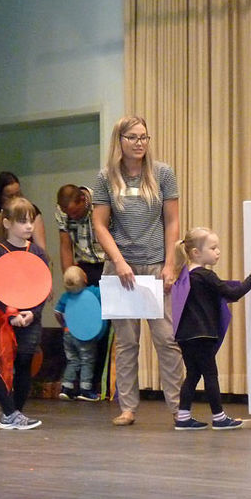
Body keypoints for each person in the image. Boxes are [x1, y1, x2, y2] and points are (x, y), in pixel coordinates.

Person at [91, 115, 184, 426]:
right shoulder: (105, 178)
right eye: (132, 137)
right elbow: (100, 225)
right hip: (121, 270)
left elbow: (171, 221)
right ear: (120, 141)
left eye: (144, 137)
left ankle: (178, 406)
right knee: (127, 341)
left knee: (166, 339)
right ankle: (128, 407)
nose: (140, 143)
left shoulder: (163, 174)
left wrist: (171, 263)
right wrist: (118, 261)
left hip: (156, 264)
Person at [172, 227, 251, 431]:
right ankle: (219, 417)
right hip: (202, 334)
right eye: (213, 248)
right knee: (210, 375)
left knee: (193, 374)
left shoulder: (186, 276)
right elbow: (233, 293)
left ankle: (183, 416)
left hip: (185, 335)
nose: (217, 251)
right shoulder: (205, 275)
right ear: (196, 253)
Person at [0, 196, 48, 430]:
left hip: (30, 320)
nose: (29, 227)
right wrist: (11, 314)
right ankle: (8, 412)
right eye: (22, 222)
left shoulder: (38, 253)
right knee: (4, 363)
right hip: (5, 320)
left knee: (24, 363)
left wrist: (32, 312)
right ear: (7, 223)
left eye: (31, 221)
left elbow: (42, 287)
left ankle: (16, 412)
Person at [0, 171, 46, 280]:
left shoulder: (36, 250)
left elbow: (42, 252)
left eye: (18, 193)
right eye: (10, 196)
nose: (15, 198)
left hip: (25, 274)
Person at [54, 265, 102, 401]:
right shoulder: (92, 292)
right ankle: (85, 389)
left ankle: (66, 388)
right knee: (87, 360)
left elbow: (57, 313)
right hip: (85, 334)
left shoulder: (65, 297)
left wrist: (63, 325)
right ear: (85, 279)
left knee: (72, 360)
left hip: (68, 333)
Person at [55, 184, 106, 283]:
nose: (72, 216)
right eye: (69, 214)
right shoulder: (62, 210)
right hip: (84, 265)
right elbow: (66, 246)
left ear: (83, 199)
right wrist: (69, 277)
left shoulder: (101, 202)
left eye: (75, 212)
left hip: (108, 263)